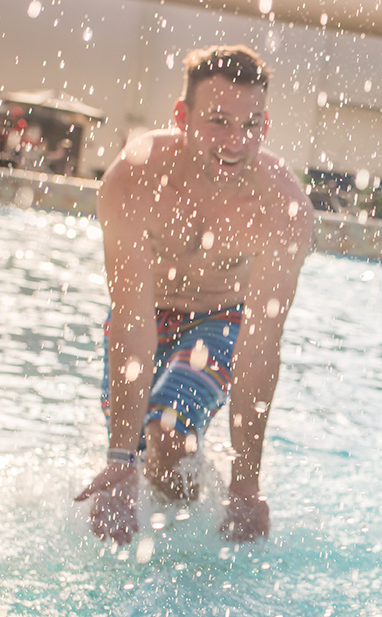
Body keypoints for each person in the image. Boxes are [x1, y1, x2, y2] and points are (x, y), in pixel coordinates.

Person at [74, 45, 315, 546]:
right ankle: (159, 512)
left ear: (265, 126)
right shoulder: (134, 177)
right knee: (137, 456)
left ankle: (185, 547)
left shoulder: (282, 208)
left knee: (169, 433)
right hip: (145, 316)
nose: (236, 141)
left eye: (251, 124)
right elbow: (131, 317)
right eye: (220, 121)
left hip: (221, 319)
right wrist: (118, 463)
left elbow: (259, 347)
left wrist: (247, 485)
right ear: (182, 117)